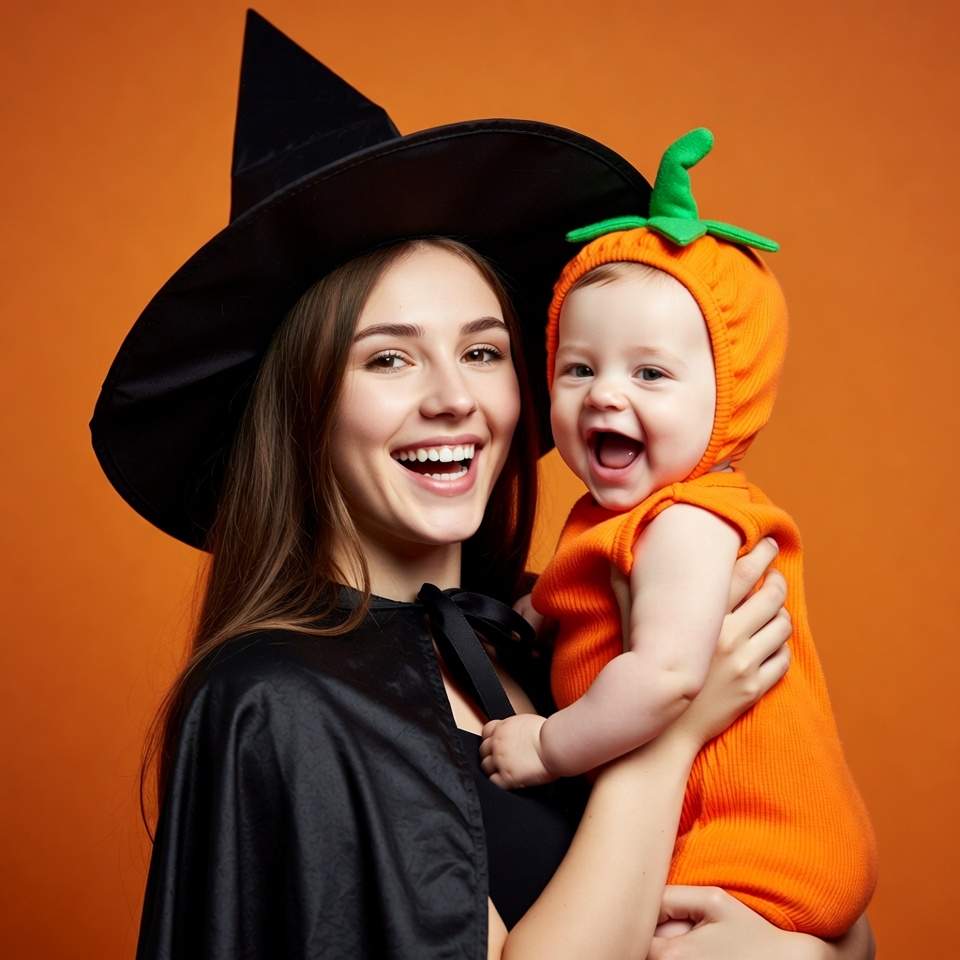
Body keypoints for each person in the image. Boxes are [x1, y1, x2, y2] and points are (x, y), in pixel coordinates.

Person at [90, 14, 876, 959]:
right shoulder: (281, 699)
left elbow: (802, 869)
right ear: (303, 406)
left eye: (482, 351)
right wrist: (663, 742)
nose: (454, 400)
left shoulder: (550, 632)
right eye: (388, 359)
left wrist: (814, 951)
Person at [479, 129, 877, 937]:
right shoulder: (619, 519)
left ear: (727, 398)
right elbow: (591, 607)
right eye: (579, 368)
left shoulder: (688, 523)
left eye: (650, 373)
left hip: (755, 854)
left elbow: (665, 675)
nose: (604, 396)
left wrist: (551, 748)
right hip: (733, 840)